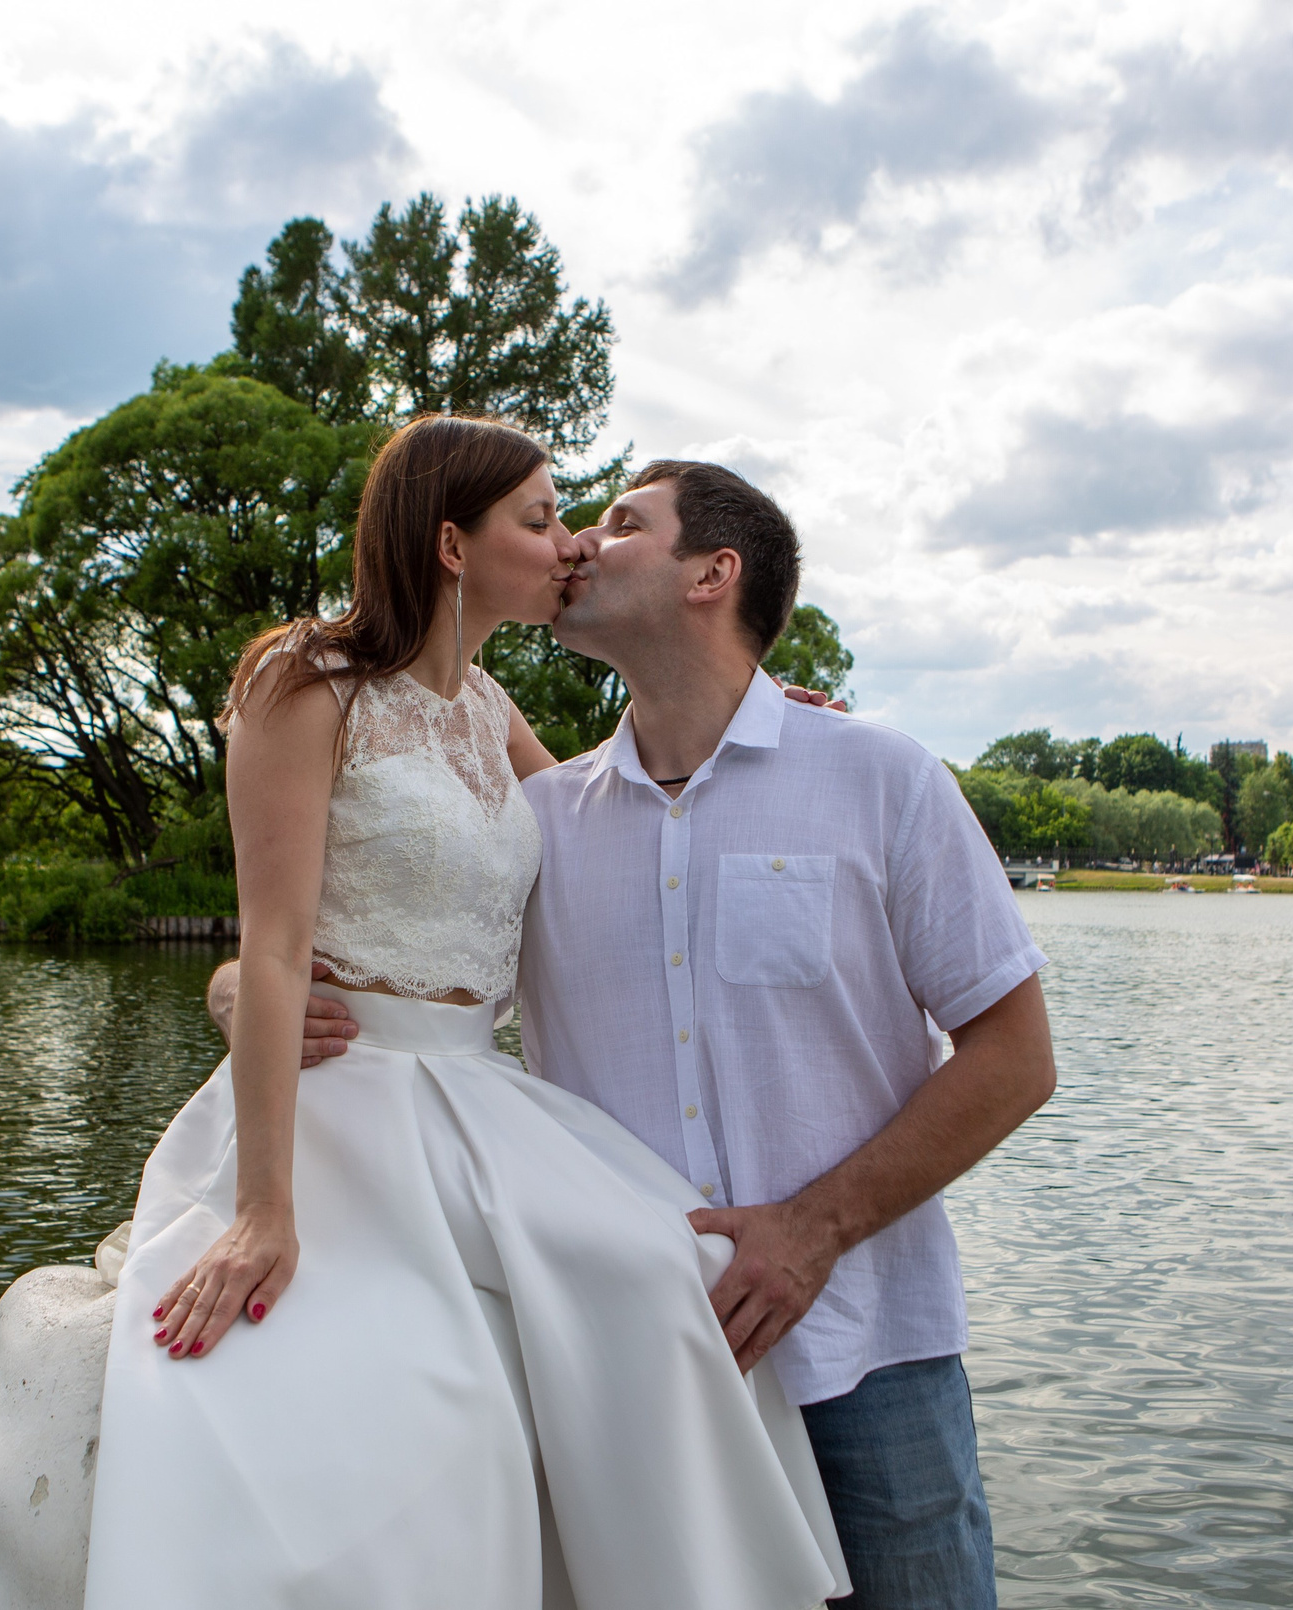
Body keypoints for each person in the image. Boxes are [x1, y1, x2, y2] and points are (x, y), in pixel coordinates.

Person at [260, 459, 1058, 1608]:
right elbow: (389, 955)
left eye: (619, 522)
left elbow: (1016, 1056)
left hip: (866, 1353)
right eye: (563, 520)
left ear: (711, 573)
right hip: (639, 1359)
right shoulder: (532, 826)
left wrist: (812, 1228)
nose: (576, 542)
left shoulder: (881, 777)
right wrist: (244, 983)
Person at [83, 417, 845, 1609]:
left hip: (481, 1092)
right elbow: (272, 946)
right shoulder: (303, 681)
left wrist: (755, 715)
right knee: (415, 1395)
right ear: (452, 543)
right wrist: (263, 1208)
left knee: (665, 1266)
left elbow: (615, 809)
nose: (567, 547)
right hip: (348, 1098)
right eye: (538, 521)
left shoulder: (488, 708)